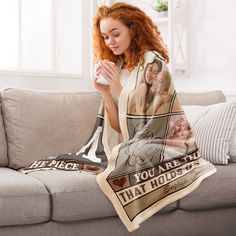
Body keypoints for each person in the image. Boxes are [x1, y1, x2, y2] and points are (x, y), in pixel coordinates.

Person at [92, 2, 169, 132]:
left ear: (133, 30)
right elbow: (119, 129)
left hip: (151, 142)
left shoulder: (153, 62)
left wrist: (117, 88)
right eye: (105, 37)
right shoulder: (118, 66)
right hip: (127, 144)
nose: (110, 42)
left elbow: (149, 125)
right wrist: (105, 92)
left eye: (116, 34)